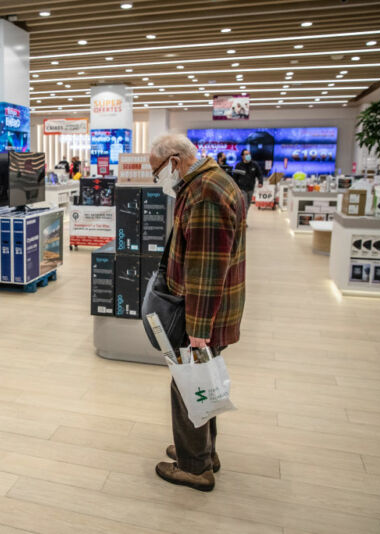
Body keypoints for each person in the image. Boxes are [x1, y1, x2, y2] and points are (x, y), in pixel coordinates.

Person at [148, 133, 246, 492]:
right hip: (210, 310)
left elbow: (206, 270)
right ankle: (203, 451)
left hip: (202, 314)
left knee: (188, 385)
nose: (157, 178)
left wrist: (198, 330)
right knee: (203, 382)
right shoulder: (211, 181)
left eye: (156, 170)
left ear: (174, 161)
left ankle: (193, 467)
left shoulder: (204, 195)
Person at [232, 149, 264, 217]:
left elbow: (259, 174)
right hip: (241, 188)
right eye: (246, 154)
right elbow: (234, 177)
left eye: (249, 154)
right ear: (242, 156)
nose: (248, 155)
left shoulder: (254, 165)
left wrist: (260, 182)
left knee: (248, 205)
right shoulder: (238, 165)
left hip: (251, 188)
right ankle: (243, 222)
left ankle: (242, 219)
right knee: (245, 206)